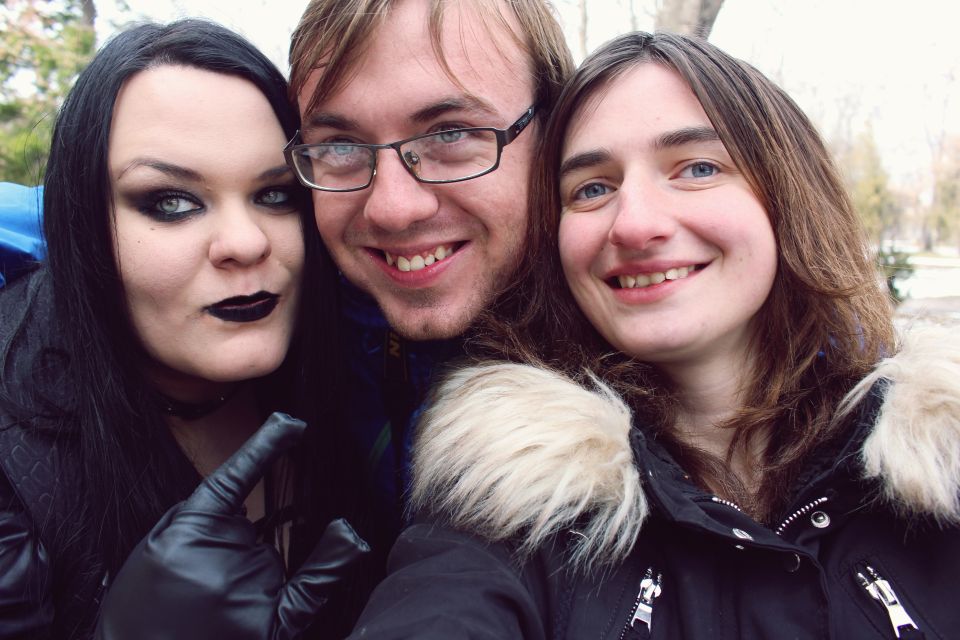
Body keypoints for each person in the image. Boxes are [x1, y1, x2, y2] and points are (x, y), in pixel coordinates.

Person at [347, 32, 960, 638]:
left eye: (697, 168)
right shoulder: (504, 507)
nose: (635, 225)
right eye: (592, 188)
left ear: (788, 196)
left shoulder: (941, 453)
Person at [0, 20, 365, 640]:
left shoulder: (365, 358)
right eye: (171, 202)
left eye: (276, 195)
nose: (246, 243)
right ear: (81, 225)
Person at [284, 0, 574, 624]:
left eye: (450, 134)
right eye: (340, 145)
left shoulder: (673, 367)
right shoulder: (279, 335)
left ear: (555, 134)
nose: (393, 208)